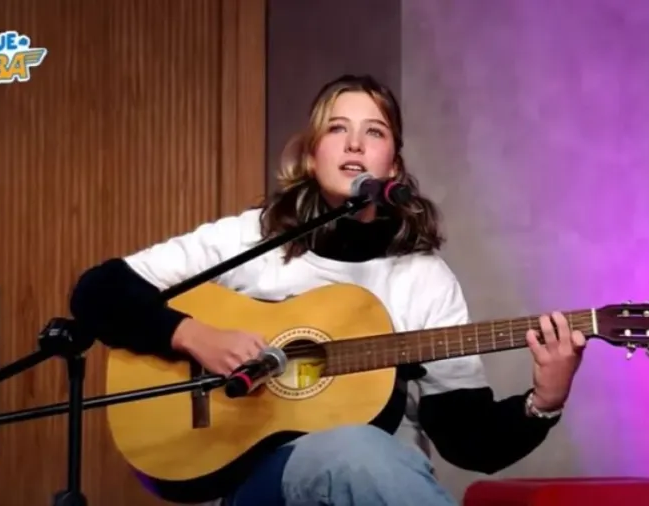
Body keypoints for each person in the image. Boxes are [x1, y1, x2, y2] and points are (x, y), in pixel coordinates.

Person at [69, 74, 587, 506]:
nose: (355, 143)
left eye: (374, 131)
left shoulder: (421, 278)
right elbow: (99, 291)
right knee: (354, 449)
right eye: (337, 128)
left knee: (363, 449)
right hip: (260, 482)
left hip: (381, 480)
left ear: (394, 166)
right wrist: (193, 335)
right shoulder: (252, 237)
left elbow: (466, 441)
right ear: (313, 155)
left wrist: (545, 398)